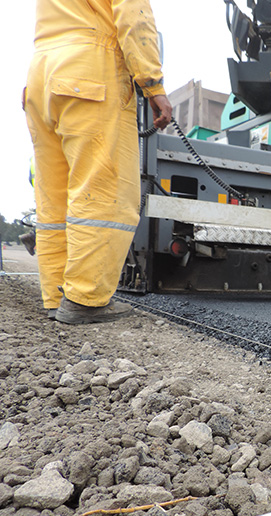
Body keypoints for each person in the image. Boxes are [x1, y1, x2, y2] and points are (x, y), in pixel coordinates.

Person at [24, 0, 172, 324]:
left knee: (55, 198)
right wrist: (153, 84)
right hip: (90, 70)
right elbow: (134, 17)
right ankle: (84, 300)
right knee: (104, 190)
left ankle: (56, 295)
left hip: (41, 76)